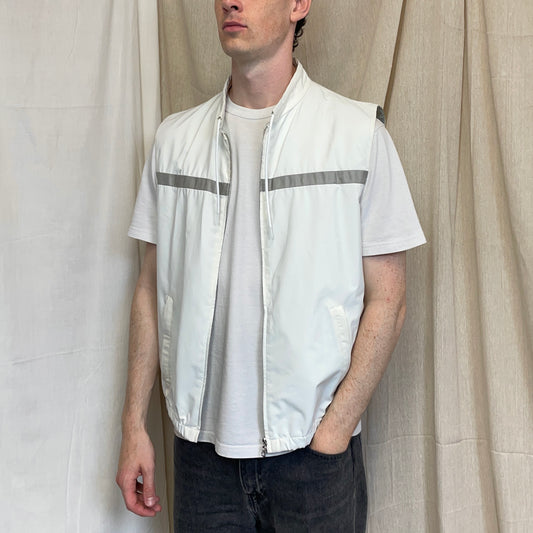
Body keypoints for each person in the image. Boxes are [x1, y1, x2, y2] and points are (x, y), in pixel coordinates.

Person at [116, 0, 426, 530]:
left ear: (298, 5)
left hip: (314, 460)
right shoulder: (173, 143)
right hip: (201, 459)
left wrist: (334, 431)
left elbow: (389, 299)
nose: (231, 2)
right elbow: (150, 289)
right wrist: (133, 426)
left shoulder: (356, 136)